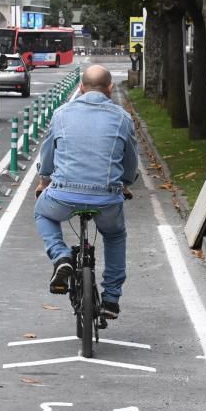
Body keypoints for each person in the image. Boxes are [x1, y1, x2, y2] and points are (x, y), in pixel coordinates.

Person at [34, 65, 138, 320]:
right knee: (114, 236)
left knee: (43, 213)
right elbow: (131, 161)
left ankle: (61, 257)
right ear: (110, 88)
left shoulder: (61, 114)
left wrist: (44, 181)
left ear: (80, 87)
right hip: (107, 196)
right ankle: (111, 299)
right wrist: (124, 183)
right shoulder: (123, 118)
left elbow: (48, 155)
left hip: (63, 195)